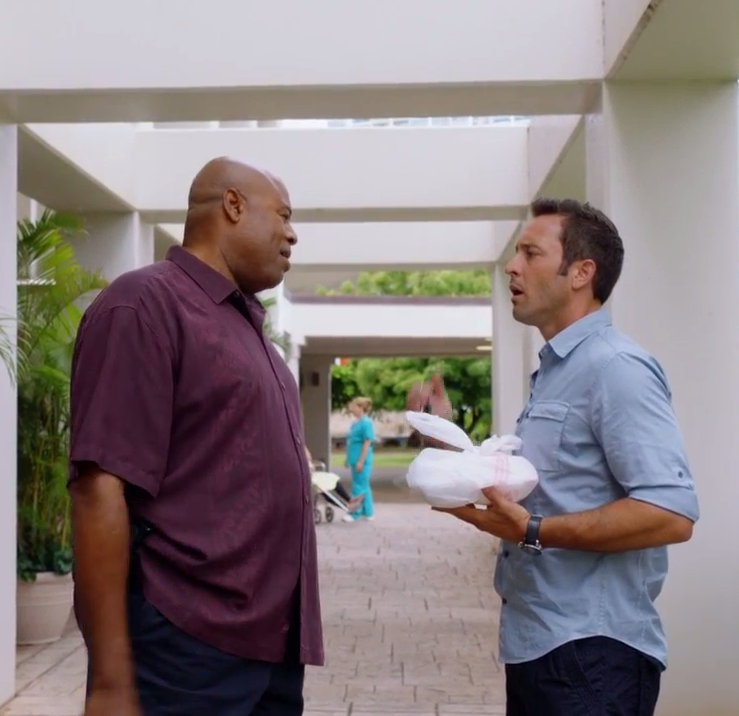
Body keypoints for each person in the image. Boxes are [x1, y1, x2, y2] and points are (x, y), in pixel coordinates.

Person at [68, 157, 323, 716]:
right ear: (233, 205)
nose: (292, 234)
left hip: (272, 649)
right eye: (283, 215)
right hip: (186, 646)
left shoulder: (249, 330)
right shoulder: (144, 305)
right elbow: (98, 489)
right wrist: (109, 683)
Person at [436, 198, 699, 716]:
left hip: (593, 657)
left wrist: (533, 530)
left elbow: (671, 513)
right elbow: (556, 488)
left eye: (530, 253)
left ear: (581, 272)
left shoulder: (616, 368)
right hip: (540, 645)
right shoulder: (557, 371)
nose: (512, 267)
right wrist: (454, 454)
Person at [342, 397, 376, 522]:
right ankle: (369, 512)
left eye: (354, 407)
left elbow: (367, 443)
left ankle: (354, 513)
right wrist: (348, 459)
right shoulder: (355, 423)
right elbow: (351, 442)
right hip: (354, 459)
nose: (351, 409)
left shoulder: (366, 423)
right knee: (364, 486)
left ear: (361, 408)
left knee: (358, 487)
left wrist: (361, 461)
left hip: (362, 461)